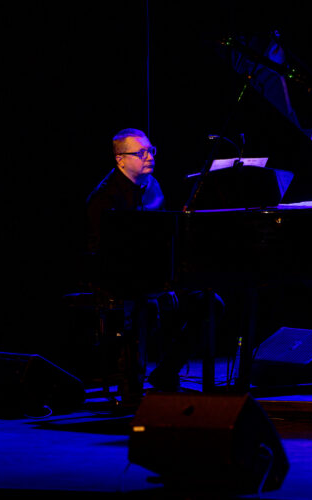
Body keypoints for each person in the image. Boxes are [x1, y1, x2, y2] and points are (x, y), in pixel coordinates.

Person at [85, 128, 223, 394]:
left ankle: (166, 371)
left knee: (211, 303)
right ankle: (131, 387)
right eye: (141, 153)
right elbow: (104, 253)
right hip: (119, 278)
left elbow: (162, 237)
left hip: (156, 275)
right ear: (120, 159)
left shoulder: (153, 185)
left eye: (151, 150)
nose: (149, 157)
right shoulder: (104, 197)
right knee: (143, 306)